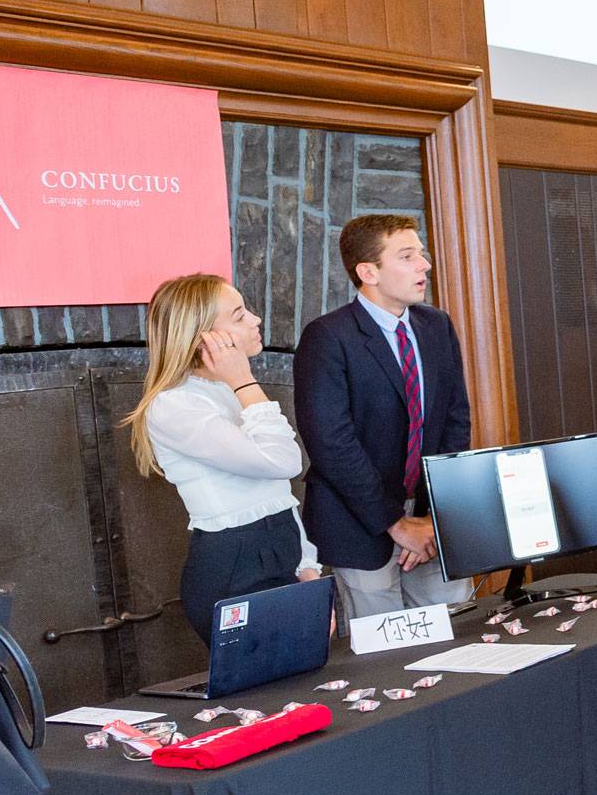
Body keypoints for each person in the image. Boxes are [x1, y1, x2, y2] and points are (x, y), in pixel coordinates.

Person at [122, 275, 321, 646]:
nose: (256, 320)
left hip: (282, 551)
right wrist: (244, 381)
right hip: (233, 568)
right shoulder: (175, 404)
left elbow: (278, 493)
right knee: (265, 698)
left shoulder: (230, 389)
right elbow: (285, 462)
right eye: (239, 314)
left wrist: (306, 568)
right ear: (204, 337)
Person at [295, 216, 473, 619]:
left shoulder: (437, 326)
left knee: (460, 632)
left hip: (432, 520)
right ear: (368, 272)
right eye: (407, 256)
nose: (424, 265)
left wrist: (432, 517)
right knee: (385, 655)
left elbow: (455, 421)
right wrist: (396, 523)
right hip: (361, 522)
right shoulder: (328, 337)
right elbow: (331, 443)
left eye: (422, 254)